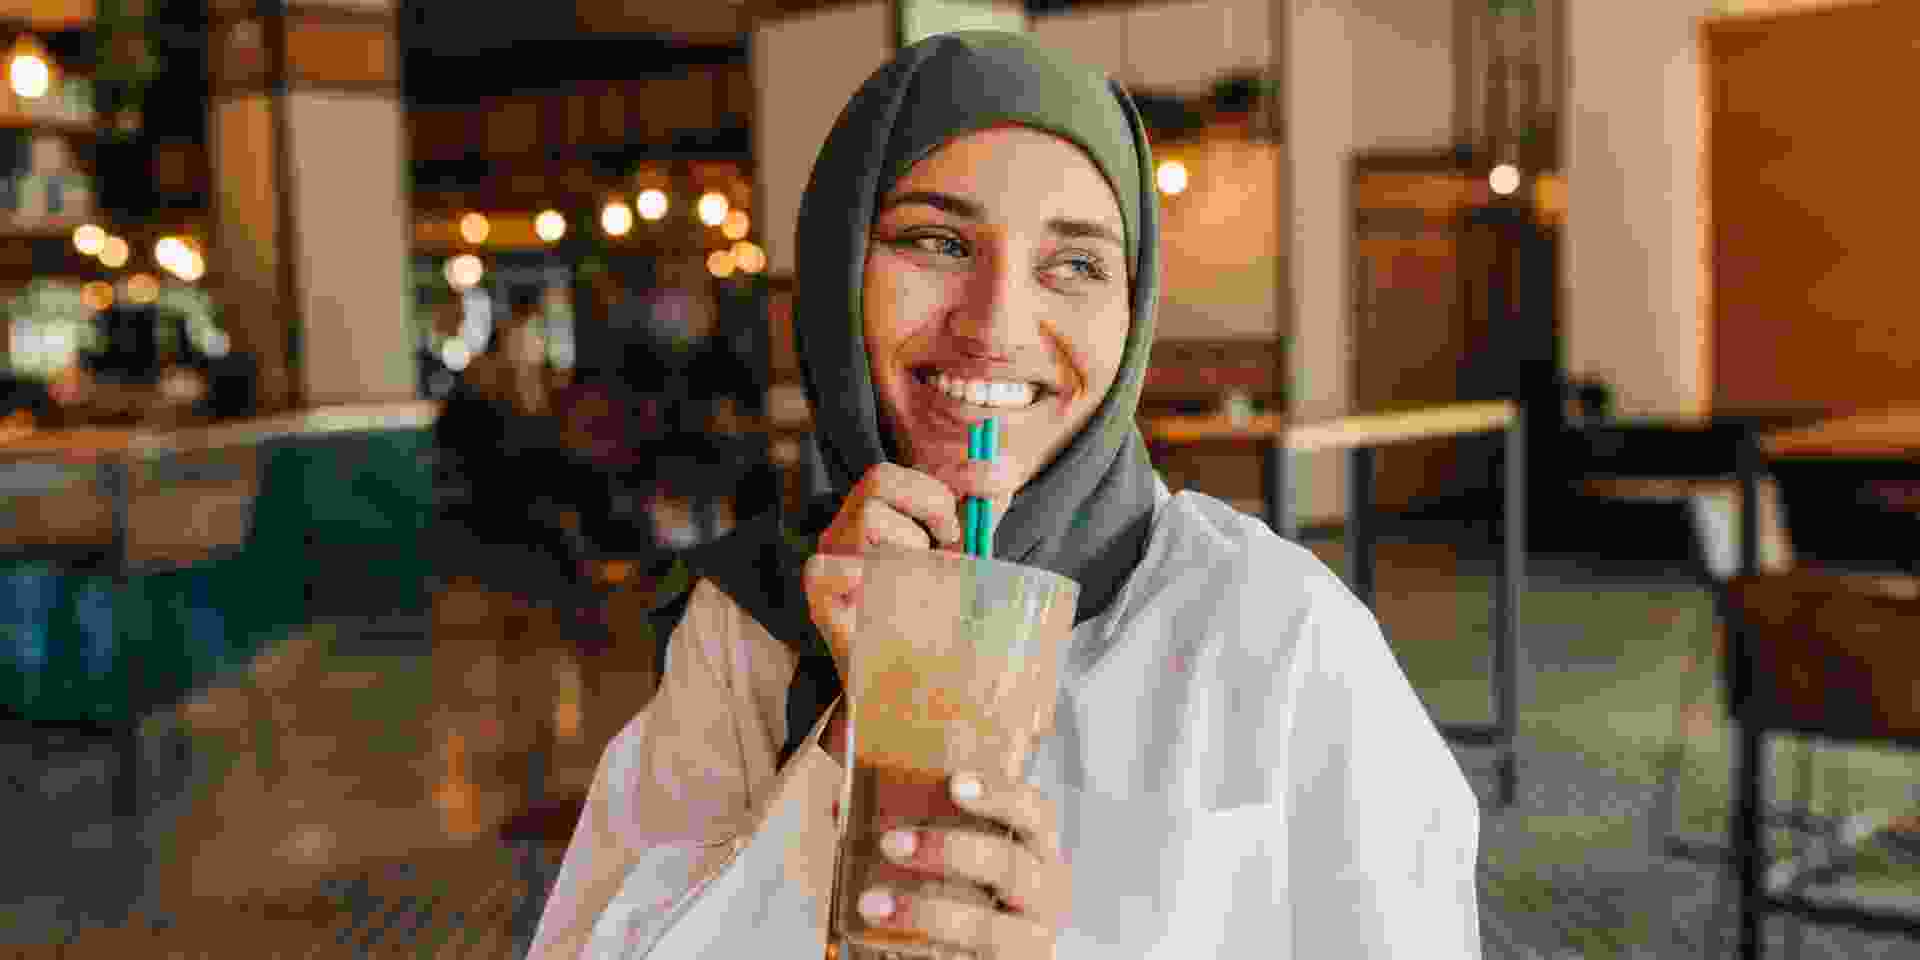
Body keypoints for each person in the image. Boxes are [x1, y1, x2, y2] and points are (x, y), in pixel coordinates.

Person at [528, 31, 1482, 960]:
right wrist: (857, 733)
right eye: (938, 240)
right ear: (835, 272)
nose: (996, 325)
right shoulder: (751, 628)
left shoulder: (1277, 634)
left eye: (1076, 264)